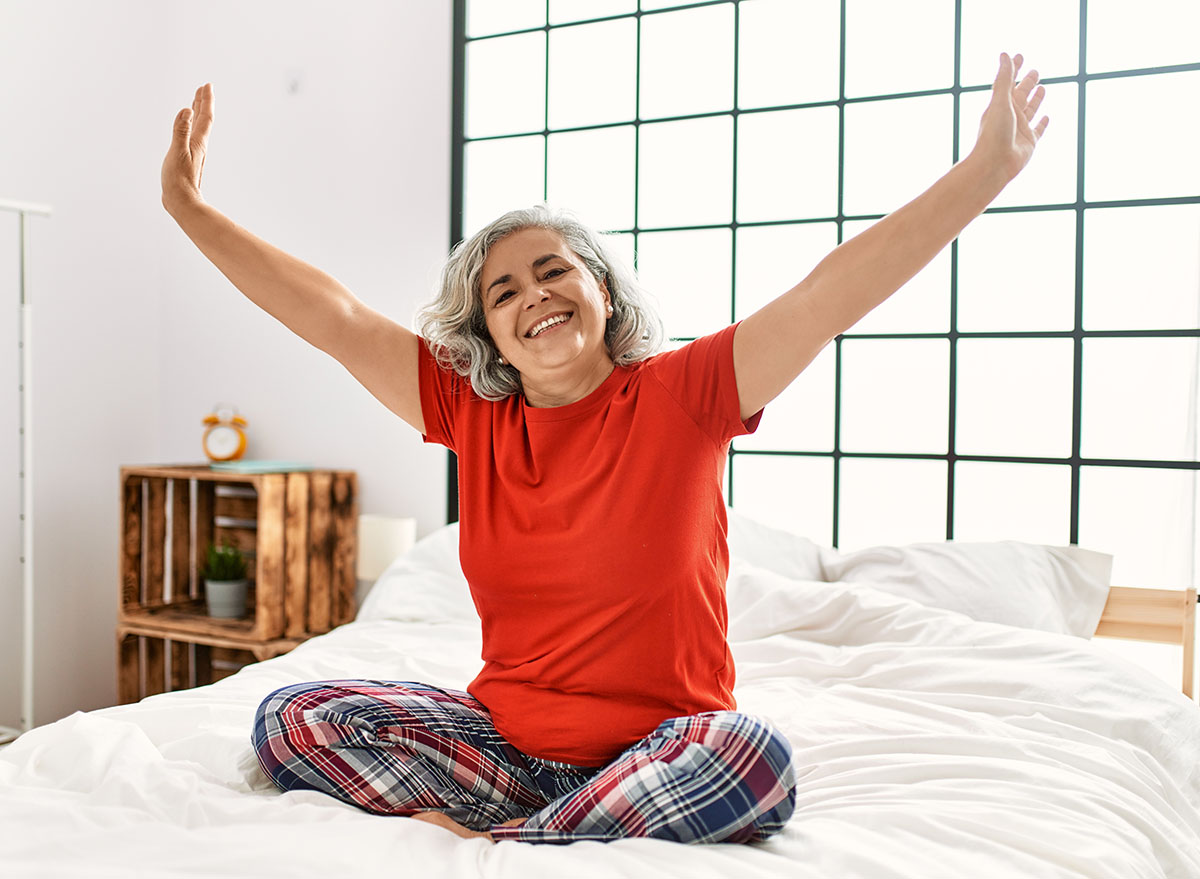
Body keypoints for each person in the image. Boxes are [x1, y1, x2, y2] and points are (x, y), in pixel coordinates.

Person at [160, 53, 1048, 845]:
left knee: (756, 759)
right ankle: (562, 822)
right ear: (489, 336)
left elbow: (827, 296)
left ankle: (524, 837)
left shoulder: (686, 393)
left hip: (668, 748)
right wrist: (190, 211)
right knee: (294, 713)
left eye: (555, 270)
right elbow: (335, 315)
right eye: (504, 291)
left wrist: (983, 172)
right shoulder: (470, 411)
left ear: (603, 294)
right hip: (506, 747)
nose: (534, 296)